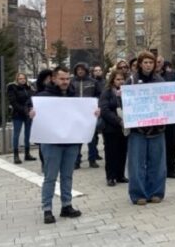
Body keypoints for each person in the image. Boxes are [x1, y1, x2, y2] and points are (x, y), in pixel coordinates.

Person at [33, 66, 98, 224]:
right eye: (62, 79)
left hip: (71, 142)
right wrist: (32, 113)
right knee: (50, 177)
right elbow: (33, 114)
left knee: (67, 176)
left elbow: (81, 116)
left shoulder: (75, 97)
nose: (65, 82)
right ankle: (47, 209)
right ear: (54, 79)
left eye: (67, 78)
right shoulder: (42, 97)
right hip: (51, 143)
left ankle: (66, 205)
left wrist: (94, 113)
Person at [126, 51, 167, 205]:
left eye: (151, 62)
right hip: (138, 130)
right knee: (137, 163)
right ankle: (138, 194)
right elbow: (123, 101)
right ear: (140, 64)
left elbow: (167, 101)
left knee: (157, 162)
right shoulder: (131, 81)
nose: (148, 65)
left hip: (157, 128)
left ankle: (156, 192)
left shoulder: (160, 81)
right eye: (145, 62)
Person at [99, 69, 128, 187]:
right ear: (112, 80)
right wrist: (118, 121)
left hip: (124, 128)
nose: (120, 82)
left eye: (122, 79)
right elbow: (104, 110)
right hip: (111, 127)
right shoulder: (107, 92)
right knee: (111, 153)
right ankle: (111, 176)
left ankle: (120, 175)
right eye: (118, 79)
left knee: (122, 151)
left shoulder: (126, 92)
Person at [71, 62, 102, 169]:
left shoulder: (93, 82)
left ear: (86, 70)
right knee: (77, 139)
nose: (80, 71)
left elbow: (99, 95)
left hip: (90, 115)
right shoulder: (72, 82)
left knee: (91, 138)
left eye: (82, 69)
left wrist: (95, 103)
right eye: (78, 69)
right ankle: (76, 161)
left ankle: (92, 159)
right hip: (76, 114)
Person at [158, 60, 175, 179]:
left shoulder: (172, 76)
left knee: (172, 143)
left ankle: (171, 168)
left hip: (171, 116)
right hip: (155, 118)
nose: (156, 64)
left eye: (158, 62)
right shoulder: (147, 78)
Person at [8, 73, 35, 164]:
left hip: (28, 114)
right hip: (18, 114)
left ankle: (27, 154)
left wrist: (31, 108)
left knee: (28, 134)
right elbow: (13, 102)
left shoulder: (28, 88)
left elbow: (32, 99)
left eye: (23, 78)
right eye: (20, 78)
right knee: (16, 134)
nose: (22, 80)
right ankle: (16, 155)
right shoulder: (12, 88)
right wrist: (24, 110)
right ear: (17, 79)